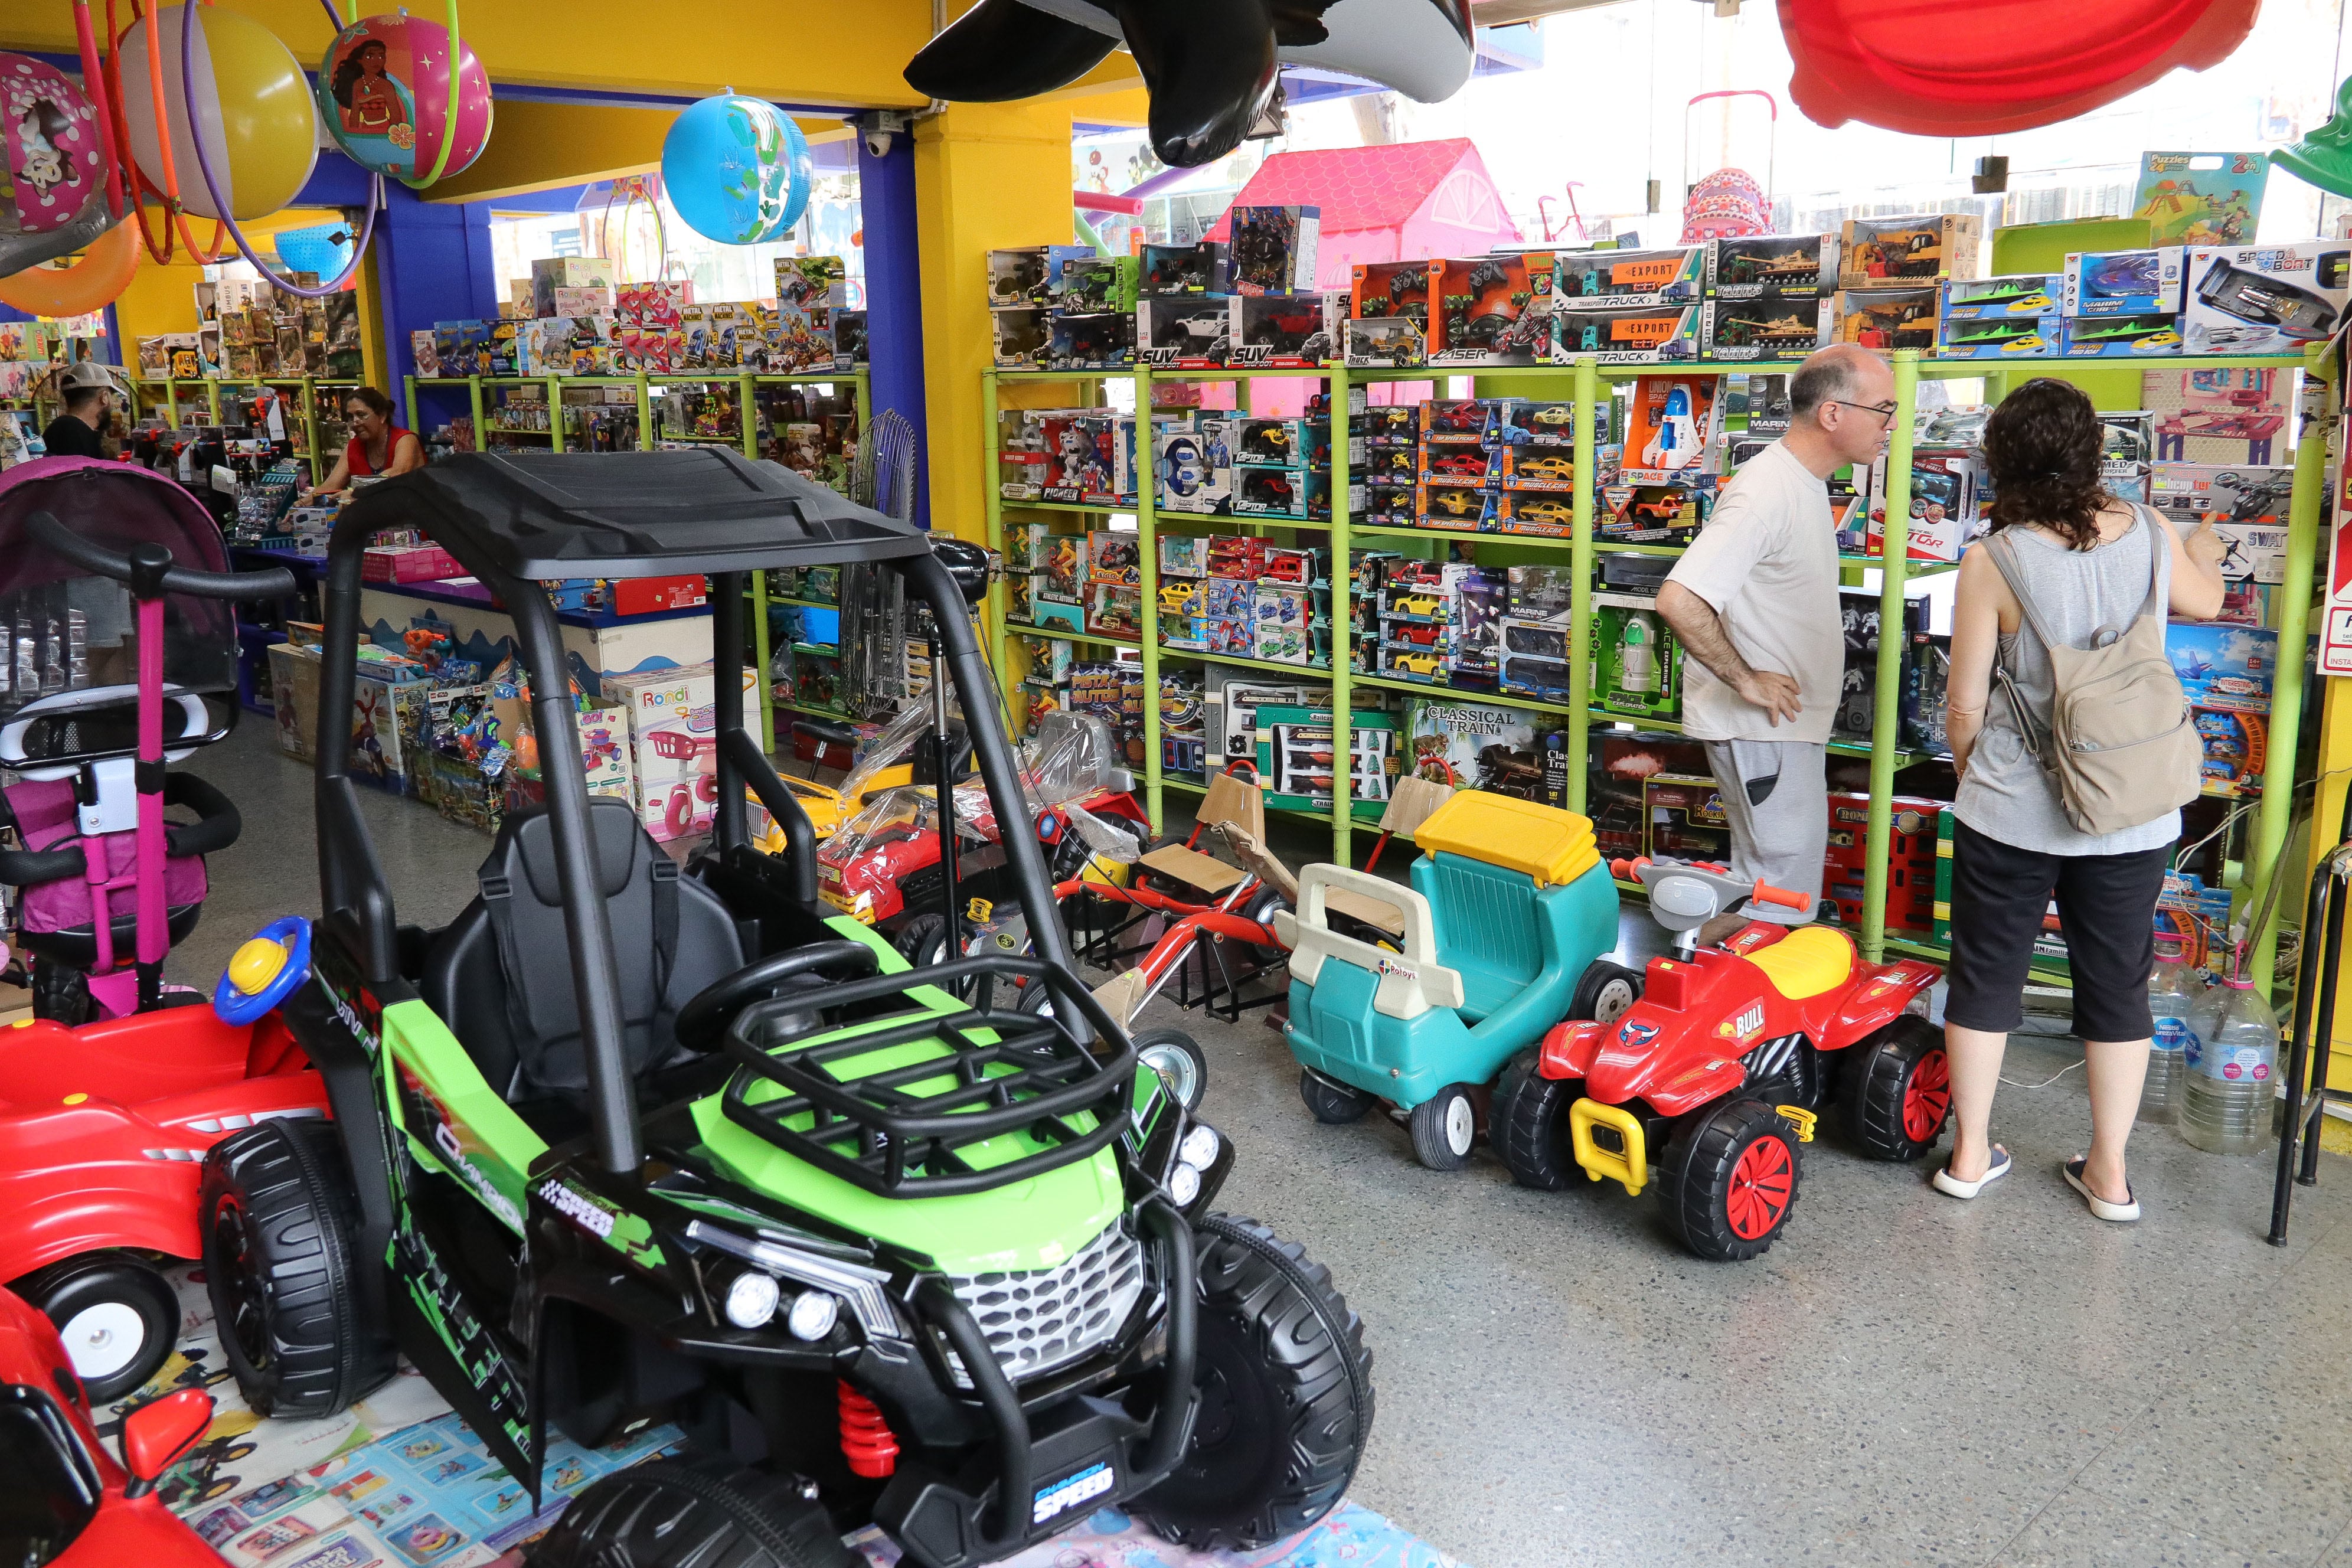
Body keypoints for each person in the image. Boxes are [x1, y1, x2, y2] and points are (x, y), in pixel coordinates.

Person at [1935, 378, 2225, 1220]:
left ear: (2001, 462)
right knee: (2117, 985)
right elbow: (2203, 599)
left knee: (1987, 977)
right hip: (2132, 806)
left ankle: (1969, 1152)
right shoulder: (2150, 531)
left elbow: (1964, 705)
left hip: (2011, 810)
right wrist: (2203, 546)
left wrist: (1975, 776)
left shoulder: (1993, 561)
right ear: (2095, 451)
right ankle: (2108, 1172)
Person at [1655, 343, 1894, 922]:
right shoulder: (1766, 492)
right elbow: (1679, 599)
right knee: (1779, 901)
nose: (1891, 424)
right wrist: (1747, 679)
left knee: (1764, 891)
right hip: (1764, 730)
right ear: (1833, 413)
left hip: (1781, 732)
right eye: (1883, 409)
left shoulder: (1803, 484)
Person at [303, 386, 422, 501]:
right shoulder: (354, 446)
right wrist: (302, 504)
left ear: (382, 416)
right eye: (351, 417)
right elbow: (330, 486)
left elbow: (398, 474)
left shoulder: (405, 440)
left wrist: (356, 492)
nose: (355, 422)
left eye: (361, 415)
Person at [40, 362, 117, 460]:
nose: (113, 402)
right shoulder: (74, 434)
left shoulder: (61, 428)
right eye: (112, 395)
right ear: (104, 397)